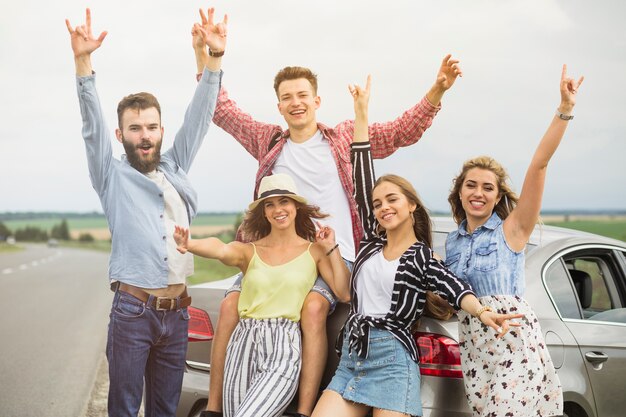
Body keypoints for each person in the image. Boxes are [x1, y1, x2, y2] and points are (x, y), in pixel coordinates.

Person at [193, 13, 464, 415]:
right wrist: (207, 54)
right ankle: (214, 406)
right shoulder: (268, 140)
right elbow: (220, 109)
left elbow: (401, 131)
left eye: (303, 95)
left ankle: (305, 408)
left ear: (316, 101)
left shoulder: (340, 141)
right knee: (231, 306)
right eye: (287, 97)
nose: (295, 102)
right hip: (278, 252)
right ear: (279, 105)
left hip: (337, 255)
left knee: (315, 308)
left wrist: (437, 90)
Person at [311, 76, 522, 417]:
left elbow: (455, 288)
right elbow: (361, 175)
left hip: (393, 362)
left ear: (411, 205)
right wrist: (361, 113)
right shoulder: (369, 244)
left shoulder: (422, 258)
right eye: (377, 204)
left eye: (391, 199)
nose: (383, 207)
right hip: (353, 358)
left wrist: (484, 313)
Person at [65, 7, 226, 417]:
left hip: (177, 315)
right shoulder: (111, 175)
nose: (145, 136)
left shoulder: (175, 165)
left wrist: (214, 59)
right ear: (121, 135)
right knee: (122, 409)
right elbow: (90, 128)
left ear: (161, 131)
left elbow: (200, 118)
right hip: (133, 313)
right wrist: (83, 62)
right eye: (135, 128)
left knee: (165, 410)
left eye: (151, 127)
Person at [444, 65, 584, 417]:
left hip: (514, 348)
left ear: (496, 195)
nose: (478, 193)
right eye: (471, 185)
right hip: (475, 351)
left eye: (487, 187)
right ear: (459, 193)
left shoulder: (513, 229)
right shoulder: (452, 244)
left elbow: (538, 165)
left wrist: (564, 109)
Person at [173, 173, 351, 417]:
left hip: (283, 346)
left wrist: (331, 247)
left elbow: (343, 292)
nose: (278, 209)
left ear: (296, 206)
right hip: (242, 343)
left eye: (284, 201)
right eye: (270, 204)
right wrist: (190, 244)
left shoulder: (314, 251)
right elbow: (221, 249)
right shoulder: (250, 251)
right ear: (264, 212)